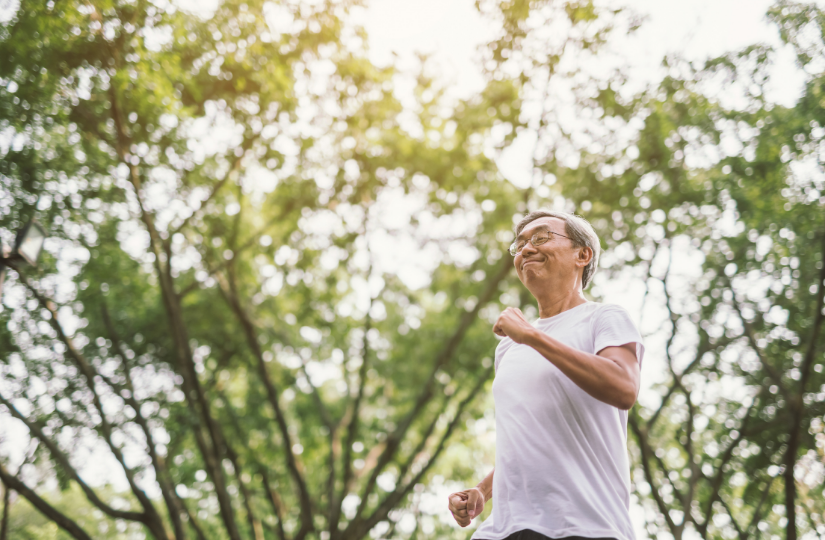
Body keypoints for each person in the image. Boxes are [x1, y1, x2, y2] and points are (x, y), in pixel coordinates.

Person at [447, 210, 644, 540]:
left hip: (585, 525)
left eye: (540, 238)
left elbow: (624, 387)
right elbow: (532, 434)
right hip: (504, 530)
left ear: (583, 255)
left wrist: (532, 337)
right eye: (520, 244)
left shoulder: (604, 318)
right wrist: (483, 489)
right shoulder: (508, 348)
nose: (525, 249)